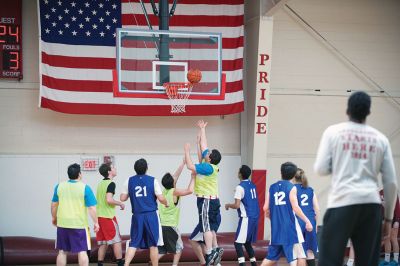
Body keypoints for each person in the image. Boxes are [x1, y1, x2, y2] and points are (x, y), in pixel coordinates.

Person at [314, 91, 398, 265]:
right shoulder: (380, 139)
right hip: (371, 206)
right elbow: (391, 183)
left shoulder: (333, 132)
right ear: (368, 112)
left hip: (342, 203)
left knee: (329, 261)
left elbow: (321, 169)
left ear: (347, 110)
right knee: (367, 262)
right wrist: (388, 219)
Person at [184, 120, 223, 266]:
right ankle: (216, 248)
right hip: (213, 200)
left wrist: (187, 151)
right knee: (211, 228)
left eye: (210, 153)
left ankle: (210, 252)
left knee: (206, 227)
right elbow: (204, 146)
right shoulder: (209, 164)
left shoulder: (208, 168)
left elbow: (189, 166)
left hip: (207, 200)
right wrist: (202, 130)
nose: (208, 151)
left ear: (210, 158)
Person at [262, 162, 313, 266]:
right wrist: (307, 221)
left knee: (270, 257)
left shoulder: (272, 187)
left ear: (281, 172)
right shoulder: (291, 187)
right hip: (290, 227)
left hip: (276, 228)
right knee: (299, 256)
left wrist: (271, 216)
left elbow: (265, 208)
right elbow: (295, 207)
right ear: (294, 175)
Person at [120, 158, 168, 266]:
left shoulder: (129, 180)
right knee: (153, 244)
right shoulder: (153, 180)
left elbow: (122, 198)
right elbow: (161, 198)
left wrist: (130, 193)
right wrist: (166, 203)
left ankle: (126, 264)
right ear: (147, 168)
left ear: (135, 169)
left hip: (137, 216)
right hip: (151, 215)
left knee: (134, 243)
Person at [51, 163, 99, 266]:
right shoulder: (85, 188)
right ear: (80, 174)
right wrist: (96, 222)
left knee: (62, 251)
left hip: (63, 224)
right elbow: (91, 208)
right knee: (82, 251)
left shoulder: (59, 186)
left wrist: (54, 218)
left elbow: (54, 205)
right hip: (79, 225)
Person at [158, 159, 196, 266]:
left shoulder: (164, 191)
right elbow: (189, 190)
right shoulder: (174, 191)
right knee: (179, 247)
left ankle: (153, 261)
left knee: (163, 249)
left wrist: (183, 163)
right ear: (173, 183)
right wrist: (193, 177)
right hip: (171, 226)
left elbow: (175, 176)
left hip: (162, 225)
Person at [225, 165, 259, 266]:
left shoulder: (239, 187)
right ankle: (254, 263)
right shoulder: (252, 185)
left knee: (237, 243)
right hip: (255, 216)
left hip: (246, 217)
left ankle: (242, 264)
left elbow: (236, 205)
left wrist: (228, 205)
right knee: (247, 242)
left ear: (240, 173)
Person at [96, 163, 125, 266]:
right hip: (108, 217)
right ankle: (120, 262)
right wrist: (120, 203)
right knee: (116, 241)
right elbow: (109, 200)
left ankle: (99, 263)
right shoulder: (111, 184)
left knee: (103, 243)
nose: (115, 168)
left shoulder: (100, 184)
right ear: (109, 172)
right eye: (113, 168)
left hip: (99, 217)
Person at [293, 168, 319, 266]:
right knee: (310, 251)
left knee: (298, 252)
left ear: (293, 178)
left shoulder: (292, 189)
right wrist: (315, 224)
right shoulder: (310, 189)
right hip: (310, 221)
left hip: (298, 221)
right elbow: (317, 208)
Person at [381, 190, 400, 264]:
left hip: (394, 219)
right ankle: (387, 260)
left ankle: (395, 260)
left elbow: (398, 207)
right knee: (386, 240)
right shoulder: (380, 192)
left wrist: (397, 221)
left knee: (393, 239)